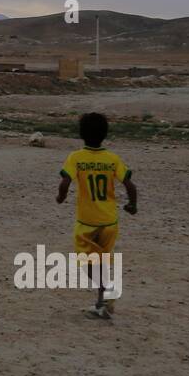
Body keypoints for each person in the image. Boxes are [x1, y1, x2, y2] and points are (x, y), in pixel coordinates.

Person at [56, 112, 138, 320]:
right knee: (101, 262)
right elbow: (130, 184)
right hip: (109, 222)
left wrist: (61, 196)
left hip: (87, 223)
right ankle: (101, 304)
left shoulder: (76, 158)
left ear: (81, 134)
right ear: (105, 134)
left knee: (87, 264)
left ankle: (108, 290)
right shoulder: (112, 159)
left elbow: (65, 181)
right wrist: (132, 205)